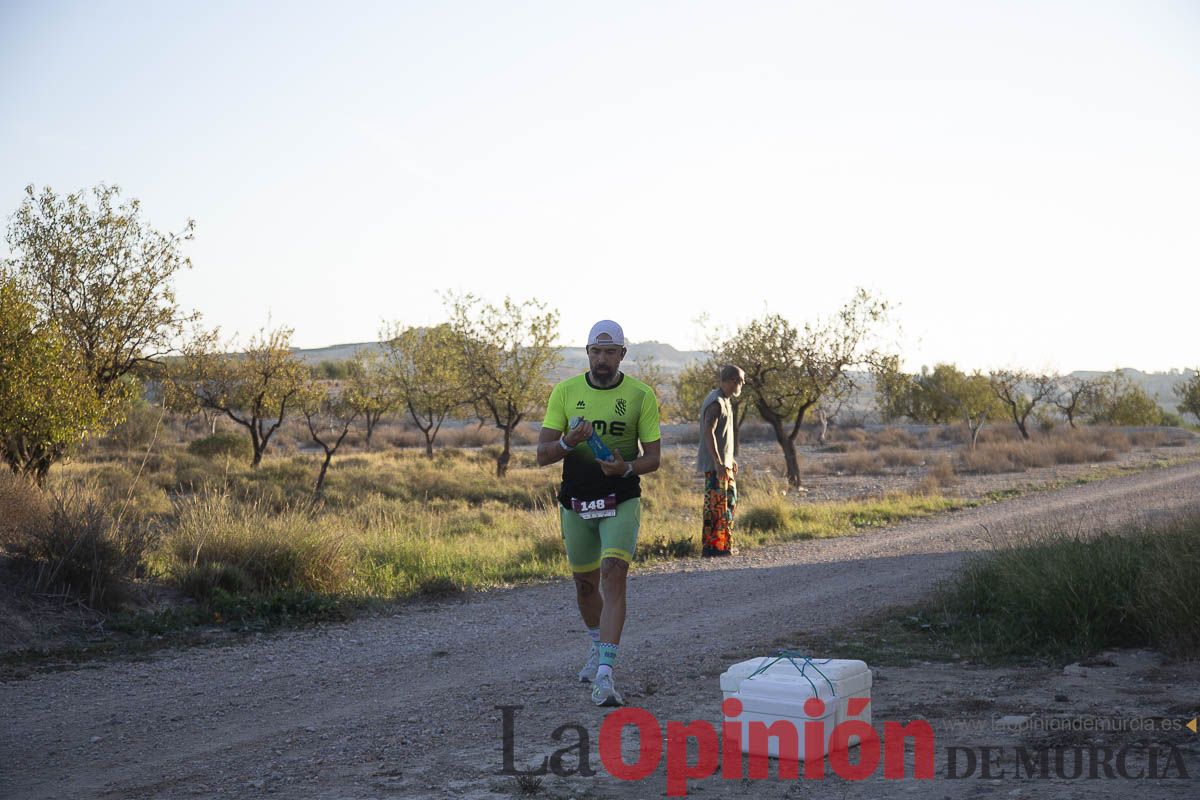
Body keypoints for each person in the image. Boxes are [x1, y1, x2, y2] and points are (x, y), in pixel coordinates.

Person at [536, 320, 662, 707]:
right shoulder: (565, 392)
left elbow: (653, 458)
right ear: (587, 353)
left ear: (622, 354)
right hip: (576, 501)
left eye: (609, 352)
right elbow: (542, 455)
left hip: (619, 499)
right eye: (596, 351)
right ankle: (596, 644)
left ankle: (606, 672)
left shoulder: (641, 395)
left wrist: (626, 468)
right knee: (585, 586)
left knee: (613, 573)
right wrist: (567, 442)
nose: (602, 359)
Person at [697, 365, 745, 557]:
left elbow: (721, 434)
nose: (743, 384)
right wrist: (718, 462)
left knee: (728, 503)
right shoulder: (716, 402)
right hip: (716, 466)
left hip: (725, 464)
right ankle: (712, 548)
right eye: (741, 380)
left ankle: (724, 545)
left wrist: (729, 458)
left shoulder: (725, 400)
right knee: (716, 508)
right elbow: (708, 431)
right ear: (733, 380)